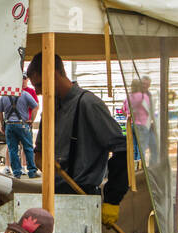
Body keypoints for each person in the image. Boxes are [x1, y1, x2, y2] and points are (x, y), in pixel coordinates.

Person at [26, 53, 128, 222]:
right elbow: (39, 153)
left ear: (54, 74)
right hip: (55, 197)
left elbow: (123, 150)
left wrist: (112, 200)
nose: (37, 91)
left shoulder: (89, 104)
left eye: (39, 85)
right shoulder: (50, 109)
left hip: (83, 199)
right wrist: (42, 161)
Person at [0, 82, 39, 178]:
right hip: (22, 125)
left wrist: (2, 124)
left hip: (9, 125)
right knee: (28, 148)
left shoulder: (4, 96)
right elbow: (35, 106)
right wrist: (31, 119)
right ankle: (32, 171)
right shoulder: (25, 94)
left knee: (12, 150)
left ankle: (16, 172)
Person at [126, 77, 157, 165]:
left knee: (134, 148)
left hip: (132, 124)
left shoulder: (130, 96)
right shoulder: (144, 96)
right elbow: (150, 110)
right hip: (143, 125)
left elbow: (126, 109)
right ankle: (141, 167)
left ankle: (134, 167)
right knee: (142, 148)